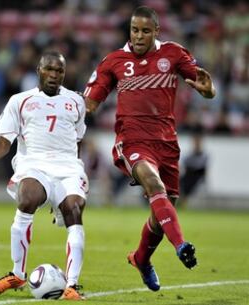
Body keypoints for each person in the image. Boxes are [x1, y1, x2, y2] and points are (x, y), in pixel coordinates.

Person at [84, 6, 216, 291]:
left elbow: (204, 85)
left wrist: (208, 90)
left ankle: (141, 259)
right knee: (154, 186)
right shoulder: (113, 61)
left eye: (145, 30)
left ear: (156, 31)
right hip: (131, 140)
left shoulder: (174, 54)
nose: (139, 36)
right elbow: (89, 104)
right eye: (135, 30)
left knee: (160, 217)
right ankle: (181, 245)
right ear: (129, 31)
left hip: (167, 143)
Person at [0, 51, 88, 300]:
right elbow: (4, 143)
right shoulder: (20, 100)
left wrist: (73, 175)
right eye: (49, 69)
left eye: (59, 71)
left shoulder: (77, 101)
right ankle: (17, 274)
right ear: (39, 70)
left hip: (68, 167)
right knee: (27, 197)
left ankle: (72, 285)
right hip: (34, 164)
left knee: (74, 210)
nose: (54, 75)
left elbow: (77, 139)